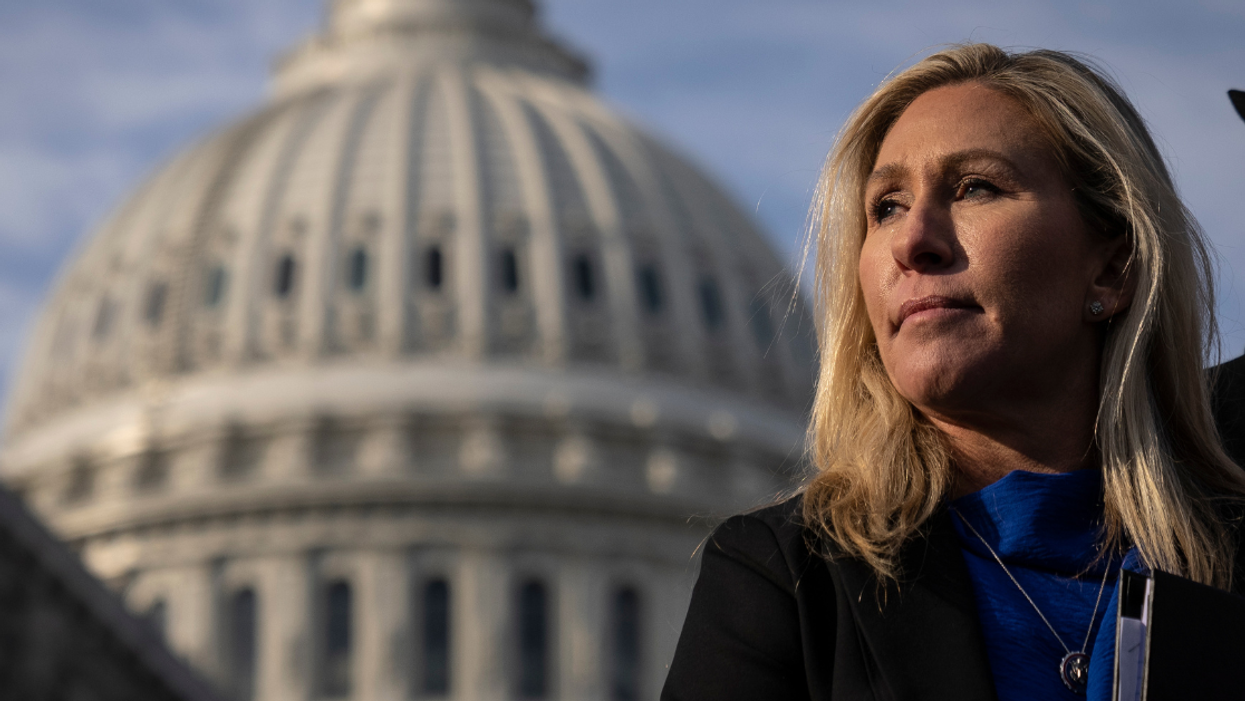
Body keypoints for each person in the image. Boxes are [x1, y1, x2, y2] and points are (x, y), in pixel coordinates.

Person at [661, 43, 1245, 701]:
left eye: (975, 187)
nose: (912, 241)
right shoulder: (786, 580)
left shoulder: (1223, 545)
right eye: (885, 205)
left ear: (1111, 267)